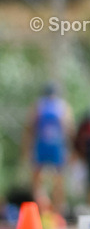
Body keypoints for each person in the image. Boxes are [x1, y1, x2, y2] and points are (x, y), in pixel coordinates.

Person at [22, 83, 74, 215]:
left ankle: (42, 209)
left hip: (41, 147)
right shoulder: (63, 106)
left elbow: (29, 130)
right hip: (57, 148)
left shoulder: (38, 106)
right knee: (59, 181)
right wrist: (71, 150)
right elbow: (70, 130)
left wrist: (26, 150)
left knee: (37, 182)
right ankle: (58, 211)